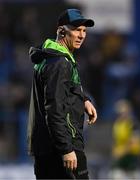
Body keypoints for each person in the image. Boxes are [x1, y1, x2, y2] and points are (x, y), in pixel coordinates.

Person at [27, 8, 97, 179]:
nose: (81, 35)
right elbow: (54, 109)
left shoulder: (51, 57)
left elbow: (62, 91)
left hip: (47, 147)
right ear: (61, 31)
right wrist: (66, 149)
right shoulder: (59, 63)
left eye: (84, 31)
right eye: (76, 30)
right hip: (62, 149)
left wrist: (84, 99)